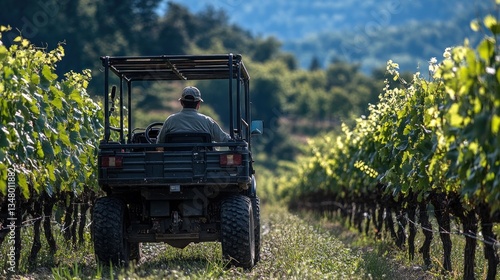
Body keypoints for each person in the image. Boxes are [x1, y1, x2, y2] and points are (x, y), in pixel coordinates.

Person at [156, 86, 231, 143]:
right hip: (202, 161)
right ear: (198, 103)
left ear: (181, 102)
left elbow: (159, 142)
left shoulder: (170, 120)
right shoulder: (207, 121)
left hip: (174, 161)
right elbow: (224, 139)